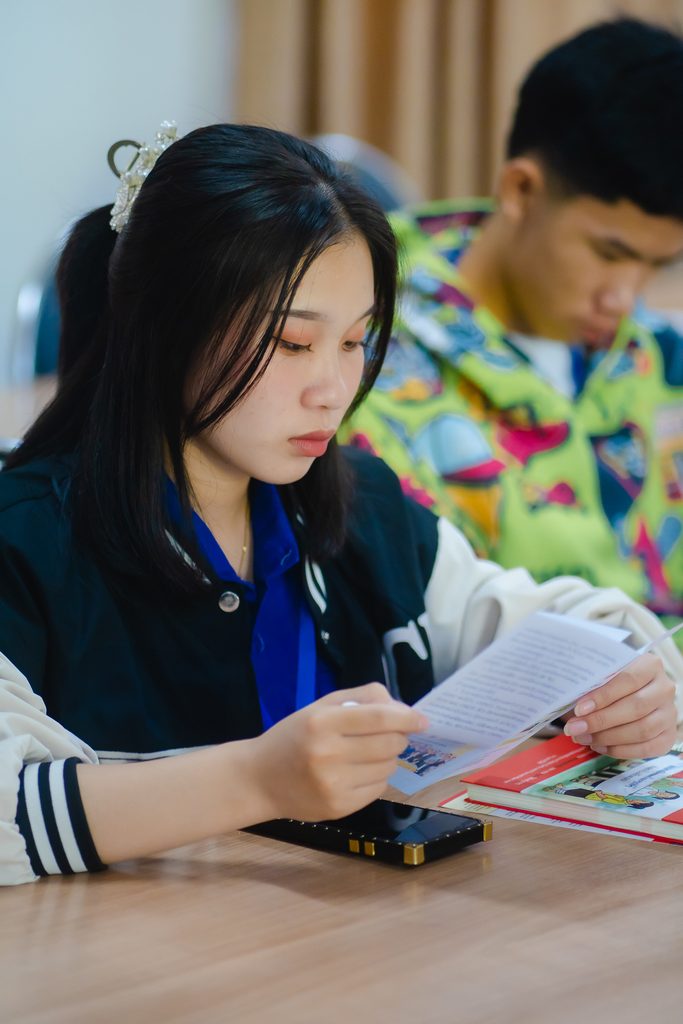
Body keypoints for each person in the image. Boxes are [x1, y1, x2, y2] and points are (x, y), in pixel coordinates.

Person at [0, 123, 680, 887]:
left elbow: (544, 622)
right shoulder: (26, 544)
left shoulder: (361, 508)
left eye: (356, 342)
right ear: (163, 326)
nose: (333, 390)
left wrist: (632, 679)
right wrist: (257, 779)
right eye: (292, 345)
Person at [344, 17, 683, 628]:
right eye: (609, 254)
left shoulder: (663, 360)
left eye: (657, 265)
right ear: (521, 190)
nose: (624, 298)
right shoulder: (356, 350)